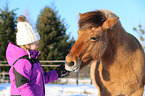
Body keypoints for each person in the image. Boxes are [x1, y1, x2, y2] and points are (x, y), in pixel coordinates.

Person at [6, 15, 68, 96]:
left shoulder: (32, 60)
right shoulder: (22, 62)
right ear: (27, 44)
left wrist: (57, 73)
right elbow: (22, 85)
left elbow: (40, 79)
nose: (38, 46)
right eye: (36, 44)